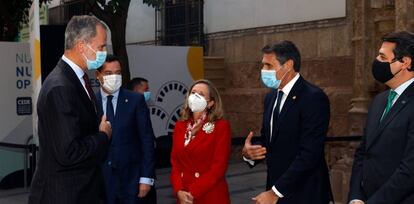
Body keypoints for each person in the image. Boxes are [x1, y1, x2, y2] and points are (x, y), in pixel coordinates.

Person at [28, 15, 112, 204]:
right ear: (82, 46)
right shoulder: (61, 87)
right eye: (101, 46)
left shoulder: (75, 79)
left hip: (81, 191)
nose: (105, 52)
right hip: (65, 194)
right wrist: (103, 136)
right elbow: (69, 152)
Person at [242, 41, 332, 204]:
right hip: (276, 190)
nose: (264, 71)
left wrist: (275, 192)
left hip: (305, 194)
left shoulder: (313, 97)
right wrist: (250, 154)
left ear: (288, 65)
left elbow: (310, 153)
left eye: (269, 66)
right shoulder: (271, 97)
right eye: (263, 66)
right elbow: (270, 141)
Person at [348, 31, 414, 204]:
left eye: (383, 57)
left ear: (404, 63)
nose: (377, 61)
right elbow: (363, 152)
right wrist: (356, 196)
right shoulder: (379, 100)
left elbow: (410, 170)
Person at [95, 55, 156, 204]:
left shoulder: (135, 100)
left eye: (118, 73)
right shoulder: (90, 102)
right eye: (109, 73)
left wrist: (146, 178)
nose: (114, 77)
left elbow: (147, 140)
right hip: (101, 183)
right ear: (98, 76)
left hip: (132, 181)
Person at [170, 79, 231, 204]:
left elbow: (218, 167)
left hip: (210, 195)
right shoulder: (180, 126)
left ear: (211, 103)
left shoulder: (221, 126)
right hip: (184, 196)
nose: (195, 96)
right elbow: (175, 164)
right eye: (193, 92)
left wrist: (193, 192)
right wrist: (179, 190)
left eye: (201, 94)